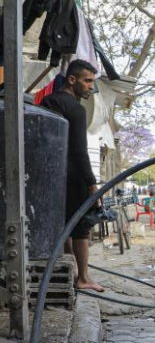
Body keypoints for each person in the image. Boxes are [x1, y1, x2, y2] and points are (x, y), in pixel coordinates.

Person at [40, 59, 104, 293]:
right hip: (74, 176)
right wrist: (91, 182)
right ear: (72, 80)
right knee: (81, 228)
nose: (90, 87)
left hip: (51, 175)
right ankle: (83, 277)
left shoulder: (47, 102)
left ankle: (71, 271)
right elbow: (79, 150)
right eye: (87, 81)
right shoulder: (76, 109)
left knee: (64, 224)